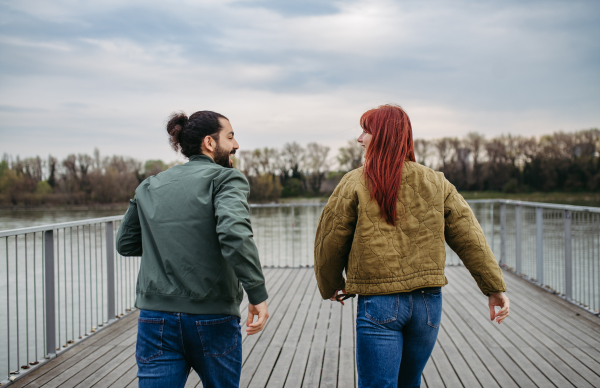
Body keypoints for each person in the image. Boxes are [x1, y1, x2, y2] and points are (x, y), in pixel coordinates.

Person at [314, 104, 509, 388]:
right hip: (428, 304)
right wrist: (495, 288)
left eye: (365, 131)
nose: (359, 139)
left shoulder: (354, 181)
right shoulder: (437, 182)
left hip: (380, 302)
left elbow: (330, 239)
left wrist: (330, 283)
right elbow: (470, 237)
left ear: (380, 136)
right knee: (410, 383)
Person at [116, 110, 269, 388]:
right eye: (231, 137)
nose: (236, 145)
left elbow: (125, 244)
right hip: (213, 316)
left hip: (156, 317)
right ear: (210, 143)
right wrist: (256, 293)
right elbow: (234, 234)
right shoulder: (226, 179)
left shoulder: (149, 185)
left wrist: (169, 244)